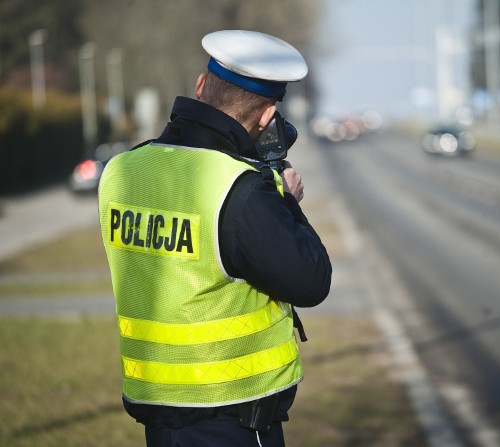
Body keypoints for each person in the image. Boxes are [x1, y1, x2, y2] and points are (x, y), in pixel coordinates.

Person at [98, 30, 332, 447]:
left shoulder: (120, 171)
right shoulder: (240, 190)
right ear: (267, 117)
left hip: (156, 414)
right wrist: (288, 201)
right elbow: (312, 281)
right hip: (232, 417)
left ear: (200, 86)